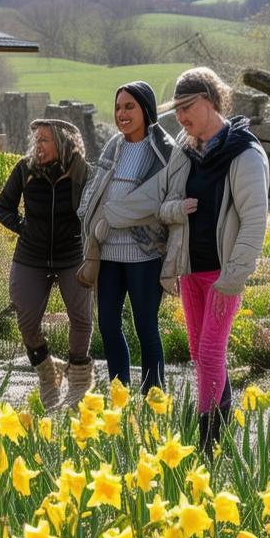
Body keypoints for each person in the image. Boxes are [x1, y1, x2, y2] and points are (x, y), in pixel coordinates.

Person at [87, 68, 269, 454]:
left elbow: (254, 221)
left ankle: (207, 441)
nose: (181, 117)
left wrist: (233, 278)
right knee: (199, 351)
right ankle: (221, 437)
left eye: (187, 107)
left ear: (210, 100)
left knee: (210, 353)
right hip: (189, 270)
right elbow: (157, 196)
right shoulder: (186, 151)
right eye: (178, 109)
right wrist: (109, 214)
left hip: (222, 274)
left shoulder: (245, 153)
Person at [78, 81, 174, 392]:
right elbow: (97, 188)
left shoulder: (164, 151)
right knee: (107, 325)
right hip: (107, 252)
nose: (122, 113)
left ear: (146, 109)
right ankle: (119, 392)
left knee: (146, 326)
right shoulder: (113, 146)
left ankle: (153, 396)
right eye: (118, 107)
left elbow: (165, 198)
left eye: (129, 106)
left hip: (144, 252)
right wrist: (90, 220)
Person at [0, 118, 93, 412]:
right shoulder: (24, 169)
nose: (38, 145)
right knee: (26, 318)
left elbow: (95, 210)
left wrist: (86, 238)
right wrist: (24, 228)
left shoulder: (82, 172)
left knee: (81, 318)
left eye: (44, 140)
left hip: (71, 255)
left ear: (62, 143)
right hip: (31, 255)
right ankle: (48, 372)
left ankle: (79, 381)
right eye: (36, 140)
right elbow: (1, 206)